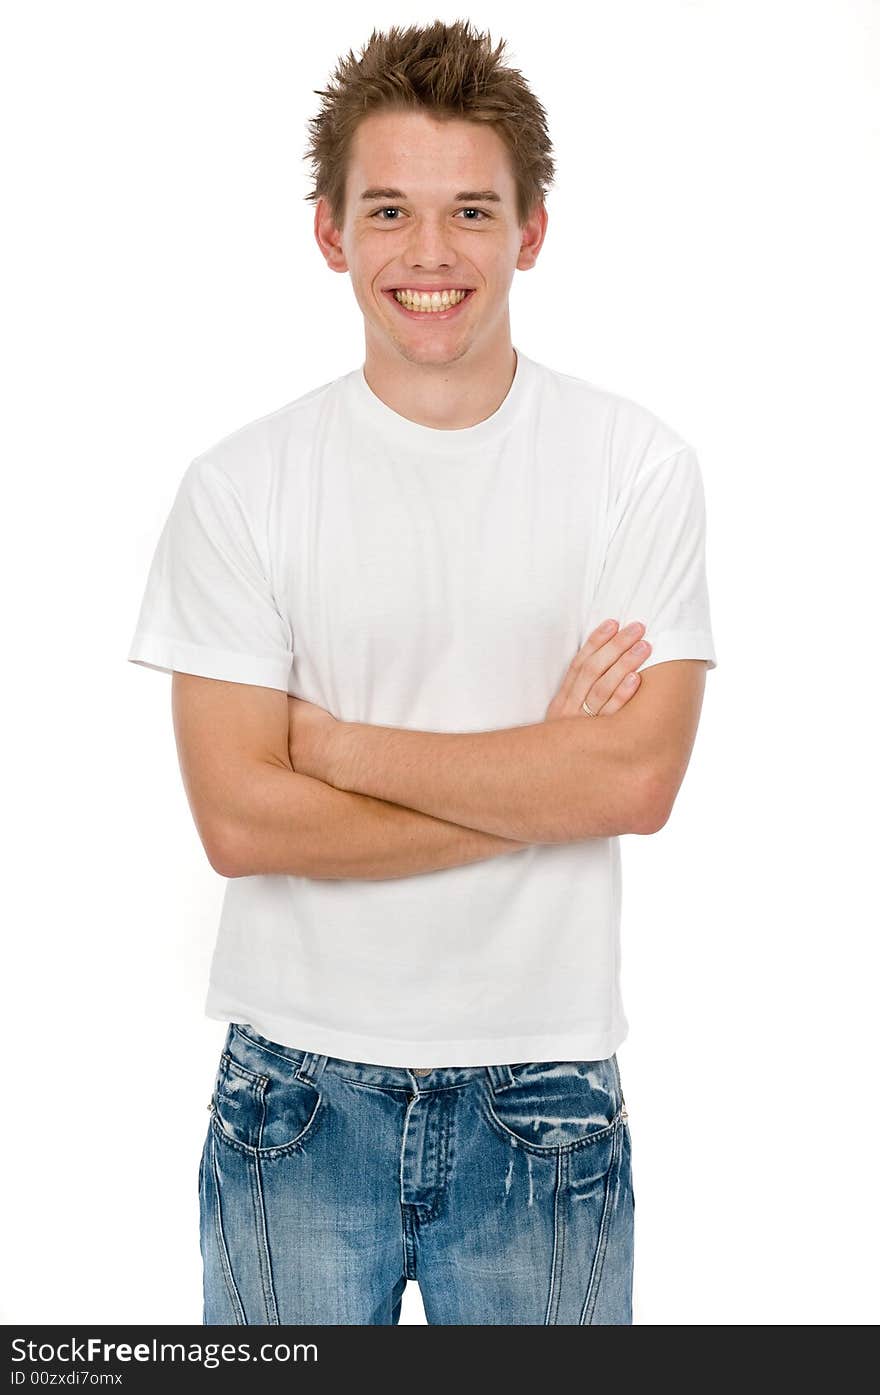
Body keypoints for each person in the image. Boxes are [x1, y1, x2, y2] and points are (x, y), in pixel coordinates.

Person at [127, 19, 717, 1326]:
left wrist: (330, 750)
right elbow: (238, 821)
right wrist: (530, 775)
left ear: (533, 230)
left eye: (471, 210)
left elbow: (630, 782)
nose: (431, 254)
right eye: (389, 209)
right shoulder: (240, 489)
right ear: (331, 230)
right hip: (293, 1093)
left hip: (546, 1095)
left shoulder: (635, 468)